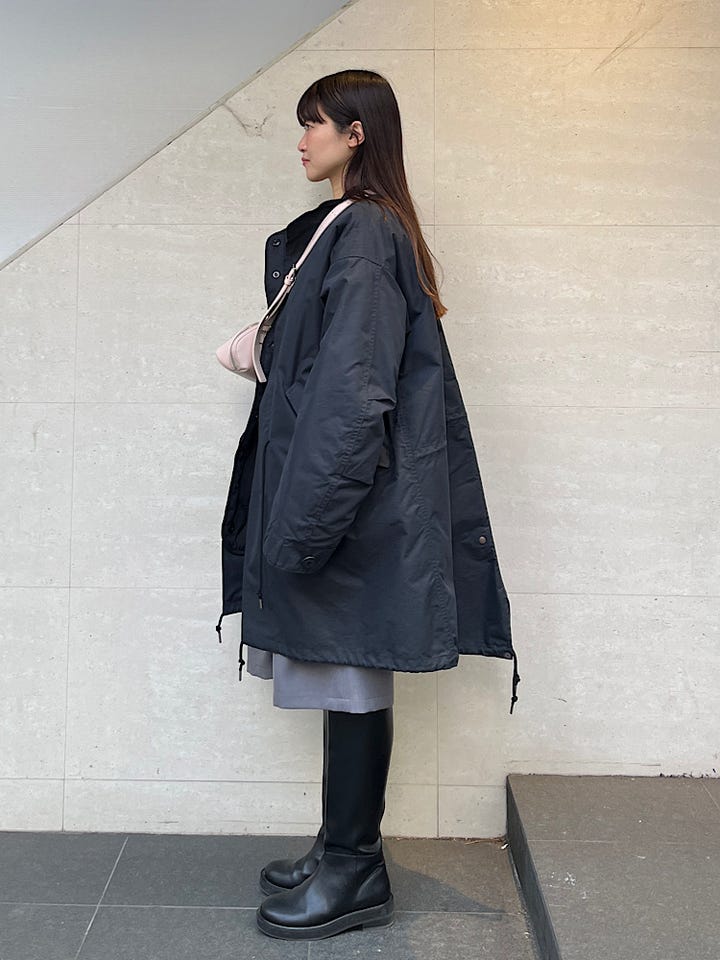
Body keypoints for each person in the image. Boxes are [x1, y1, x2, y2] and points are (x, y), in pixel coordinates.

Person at [215, 69, 519, 941]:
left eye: (315, 124)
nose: (301, 140)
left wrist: (303, 527)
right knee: (341, 673)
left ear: (357, 134)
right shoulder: (353, 228)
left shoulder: (364, 232)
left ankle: (355, 870)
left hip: (351, 509)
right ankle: (341, 849)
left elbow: (353, 398)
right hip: (346, 501)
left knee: (351, 676)